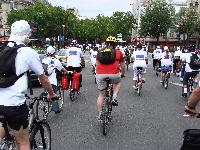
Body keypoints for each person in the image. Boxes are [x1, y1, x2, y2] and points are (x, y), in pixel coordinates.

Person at [0, 20, 56, 150]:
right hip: (13, 104)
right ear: (26, 35)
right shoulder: (27, 52)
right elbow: (44, 79)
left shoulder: (1, 48)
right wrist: (52, 94)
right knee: (23, 143)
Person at [96, 36, 125, 119]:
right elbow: (123, 66)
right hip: (114, 74)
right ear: (115, 44)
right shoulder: (118, 52)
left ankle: (100, 113)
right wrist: (122, 74)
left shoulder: (99, 52)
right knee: (118, 81)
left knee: (101, 95)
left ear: (105, 43)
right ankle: (114, 97)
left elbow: (97, 65)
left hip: (101, 75)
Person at [42, 46, 68, 113]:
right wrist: (66, 72)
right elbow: (62, 68)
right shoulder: (55, 60)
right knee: (55, 94)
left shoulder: (44, 59)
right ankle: (54, 107)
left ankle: (53, 106)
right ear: (53, 53)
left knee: (49, 91)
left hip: (43, 80)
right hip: (51, 81)